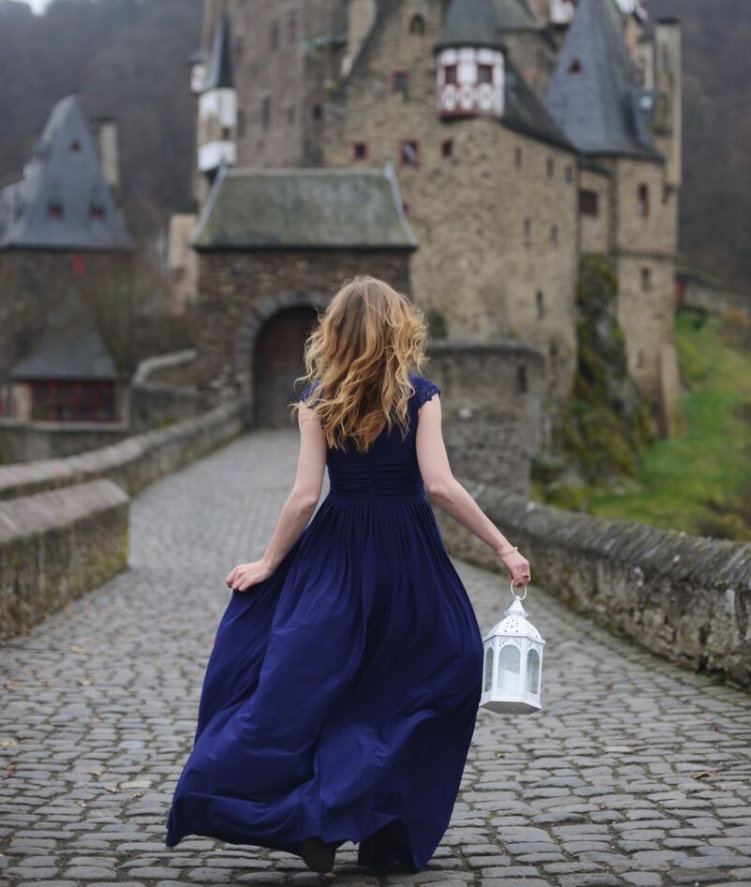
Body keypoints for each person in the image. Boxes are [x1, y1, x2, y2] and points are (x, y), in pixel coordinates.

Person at [165, 275, 531, 874]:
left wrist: (269, 563)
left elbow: (305, 497)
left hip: (336, 558)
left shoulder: (318, 398)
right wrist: (503, 548)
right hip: (409, 560)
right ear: (399, 328)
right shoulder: (420, 395)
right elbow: (439, 485)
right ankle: (357, 819)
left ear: (333, 332)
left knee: (331, 687)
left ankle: (331, 816)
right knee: (444, 672)